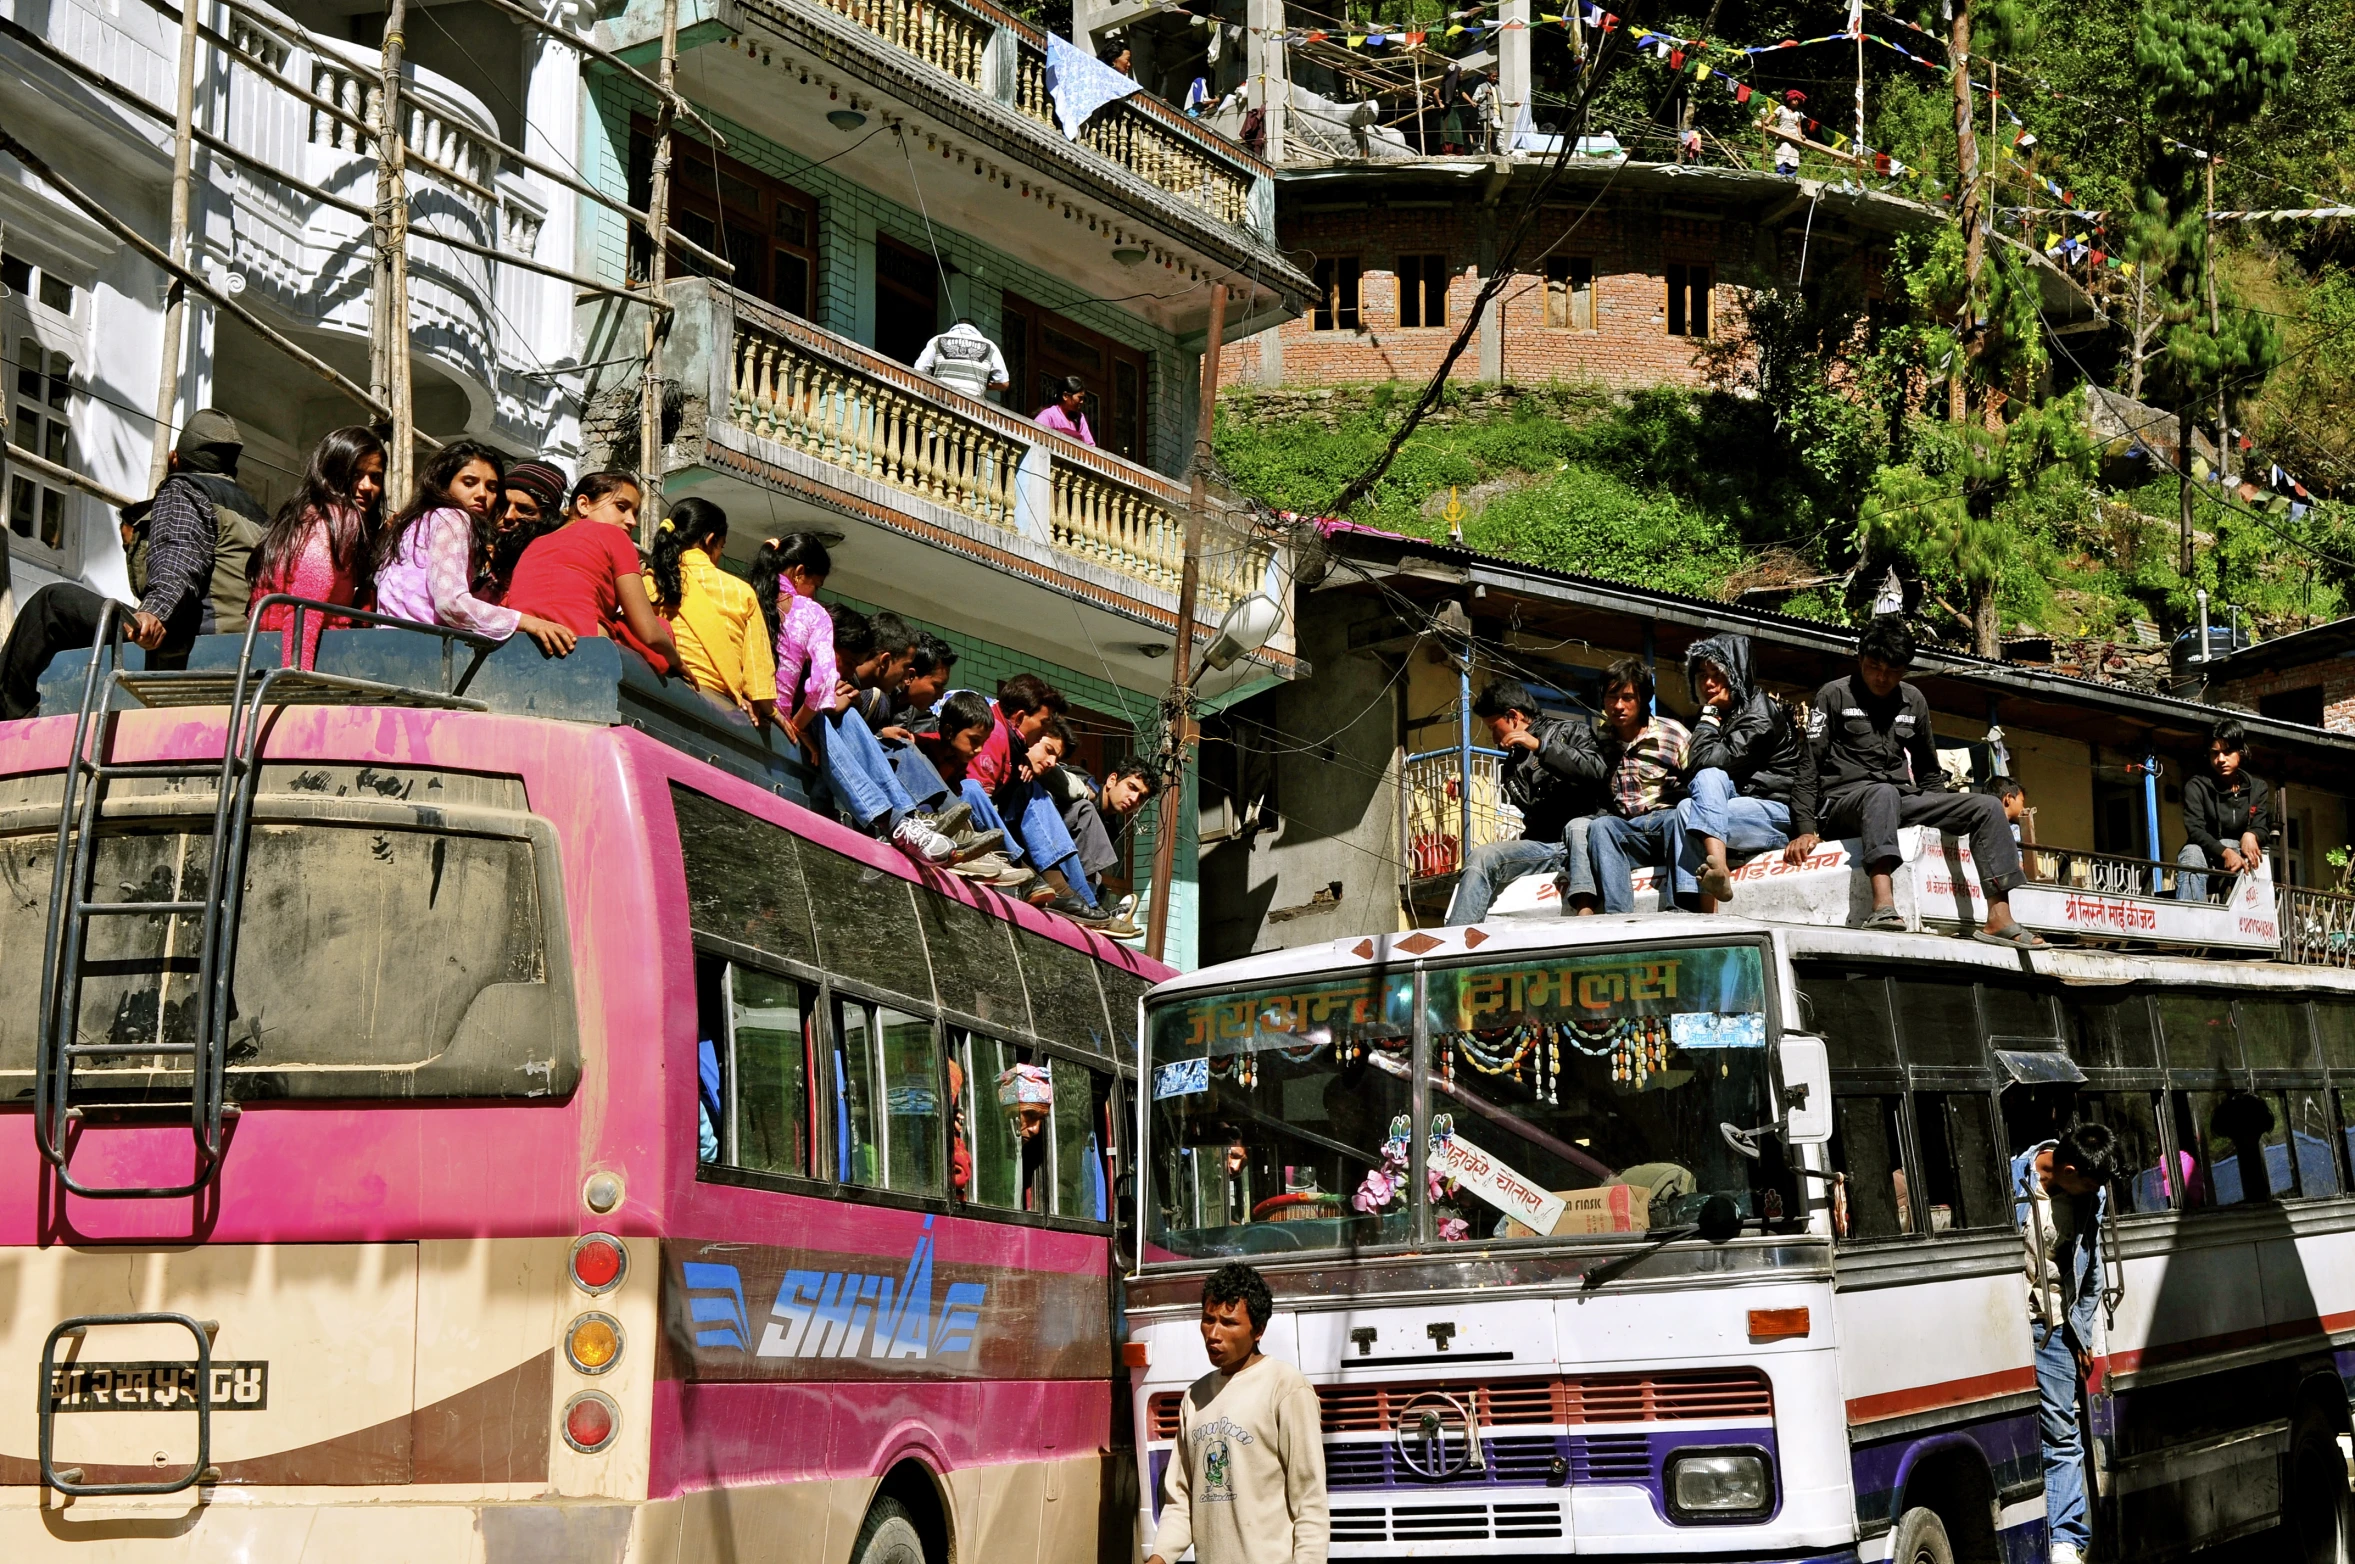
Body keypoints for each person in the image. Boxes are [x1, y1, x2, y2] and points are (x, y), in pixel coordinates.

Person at [1783, 615, 2046, 946]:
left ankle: (2000, 918)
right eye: (1874, 666)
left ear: (1905, 669)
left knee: (1987, 805)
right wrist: (1806, 829)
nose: (1882, 676)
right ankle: (1883, 907)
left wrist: (1941, 813)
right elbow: (1808, 766)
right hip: (1845, 807)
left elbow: (1927, 770)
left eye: (1893, 670)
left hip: (1901, 801)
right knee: (1881, 794)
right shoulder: (1833, 695)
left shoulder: (1914, 700)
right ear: (1860, 658)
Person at [0, 409, 268, 720]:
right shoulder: (259, 515)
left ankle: (7, 712)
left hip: (190, 638)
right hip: (244, 643)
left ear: (174, 459)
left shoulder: (184, 489)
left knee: (53, 603)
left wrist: (155, 611)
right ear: (232, 467)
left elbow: (180, 558)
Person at [1146, 1262, 1328, 1564]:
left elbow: (1309, 1500)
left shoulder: (1286, 1388)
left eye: (1228, 1323)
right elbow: (1181, 1501)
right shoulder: (1194, 1397)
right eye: (1207, 1320)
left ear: (1258, 1330)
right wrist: (1160, 1557)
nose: (1213, 1334)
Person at [2012, 1121, 2116, 1564]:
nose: (2092, 1193)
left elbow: (2092, 1273)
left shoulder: (2091, 1197)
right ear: (2067, 1169)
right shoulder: (2009, 1175)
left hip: (2052, 1325)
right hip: (2003, 1320)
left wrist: (2081, 1331)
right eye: (2086, 1185)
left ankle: (2065, 1542)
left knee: (2061, 1432)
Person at [372, 441, 576, 657]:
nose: (481, 494)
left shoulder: (415, 522)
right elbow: (451, 603)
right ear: (443, 483)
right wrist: (527, 622)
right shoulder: (453, 518)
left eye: (491, 487)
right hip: (423, 651)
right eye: (469, 483)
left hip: (388, 645)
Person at [1445, 678, 1606, 926]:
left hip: (1580, 847)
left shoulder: (1572, 731)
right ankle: (1457, 942)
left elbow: (1596, 770)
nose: (1492, 735)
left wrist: (1542, 747)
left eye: (1492, 726)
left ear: (1513, 716)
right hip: (1541, 849)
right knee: (1482, 856)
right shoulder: (1512, 761)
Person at [502, 471, 685, 676]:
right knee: (661, 628)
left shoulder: (535, 543)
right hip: (579, 649)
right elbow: (649, 633)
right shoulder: (613, 536)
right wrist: (677, 662)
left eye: (634, 513)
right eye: (621, 507)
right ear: (584, 505)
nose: (631, 521)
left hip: (516, 648)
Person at [1676, 634, 1801, 909]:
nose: (1708, 683)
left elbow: (1705, 764)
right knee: (1685, 809)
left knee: (1709, 778)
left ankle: (1717, 866)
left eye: (1717, 673)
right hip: (1739, 807)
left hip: (1775, 811)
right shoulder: (1723, 713)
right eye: (1701, 674)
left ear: (1736, 673)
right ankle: (1701, 910)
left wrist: (1706, 719)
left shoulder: (1760, 714)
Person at [247, 425, 383, 670]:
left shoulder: (299, 516)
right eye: (356, 475)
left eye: (375, 477)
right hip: (307, 656)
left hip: (263, 649)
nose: (367, 486)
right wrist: (296, 673)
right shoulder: (336, 520)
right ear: (333, 473)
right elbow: (304, 605)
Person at [645, 497, 775, 727]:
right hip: (716, 711)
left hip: (658, 693)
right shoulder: (742, 592)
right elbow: (759, 684)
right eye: (721, 547)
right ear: (710, 540)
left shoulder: (652, 581)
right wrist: (772, 713)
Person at [1586, 658, 1694, 915]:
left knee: (1678, 816)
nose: (1618, 706)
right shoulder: (1600, 741)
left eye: (1627, 697)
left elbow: (1698, 781)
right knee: (1601, 826)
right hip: (1629, 830)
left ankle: (1678, 909)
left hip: (1668, 825)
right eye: (1612, 697)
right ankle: (1618, 917)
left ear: (1644, 699)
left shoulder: (1673, 733)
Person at [2177, 717, 2271, 902]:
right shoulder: (2197, 786)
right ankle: (2191, 920)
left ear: (2241, 752)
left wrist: (2251, 834)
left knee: (2236, 843)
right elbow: (2195, 830)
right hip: (2206, 853)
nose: (2221, 759)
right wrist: (2225, 852)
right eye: (2215, 753)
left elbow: (2263, 828)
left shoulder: (2258, 788)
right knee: (2190, 852)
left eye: (2227, 752)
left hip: (2241, 855)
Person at [485, 459, 570, 599]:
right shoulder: (468, 549)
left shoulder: (548, 571)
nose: (508, 516)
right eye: (503, 505)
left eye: (525, 510)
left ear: (546, 520)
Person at [914, 319, 1011, 402]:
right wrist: (983, 385)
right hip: (972, 409)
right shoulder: (990, 346)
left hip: (942, 403)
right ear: (976, 330)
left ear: (953, 328)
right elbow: (1003, 383)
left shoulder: (937, 340)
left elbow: (918, 371)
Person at [1034, 374, 1096, 446]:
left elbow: (1090, 445)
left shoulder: (1080, 418)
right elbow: (1036, 436)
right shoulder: (1048, 415)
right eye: (1080, 398)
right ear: (1065, 396)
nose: (1082, 402)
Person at [1766, 89, 1805, 176]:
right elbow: (1773, 116)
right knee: (1783, 155)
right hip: (1783, 136)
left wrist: (1801, 135)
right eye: (1794, 99)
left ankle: (1791, 177)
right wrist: (1767, 122)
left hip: (1794, 139)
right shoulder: (1782, 108)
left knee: (1793, 158)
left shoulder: (1798, 113)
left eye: (1797, 100)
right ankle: (1781, 175)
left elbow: (1798, 126)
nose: (1796, 102)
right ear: (1789, 99)